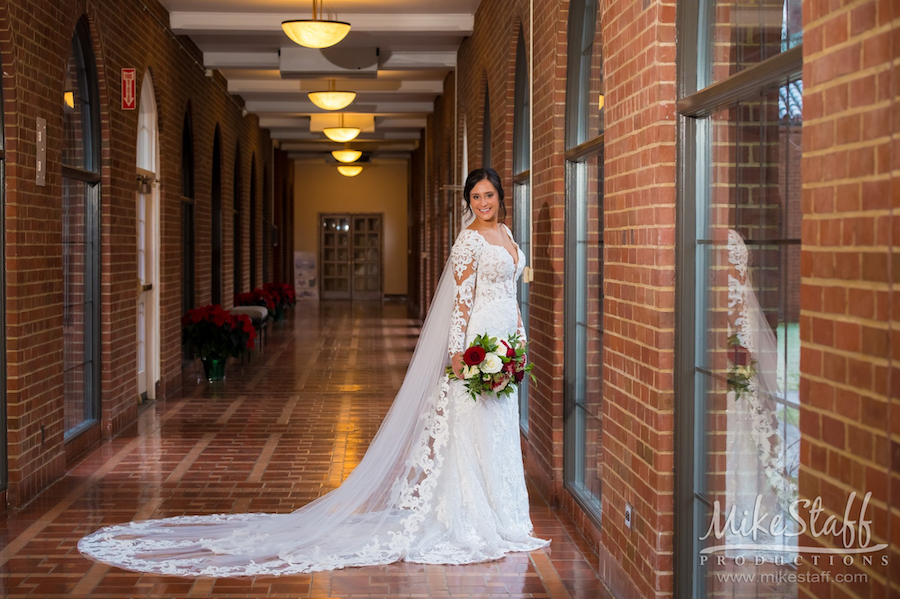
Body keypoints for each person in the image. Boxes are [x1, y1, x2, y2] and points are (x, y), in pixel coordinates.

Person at [78, 167, 548, 577]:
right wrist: (459, 355)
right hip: (476, 347)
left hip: (506, 345)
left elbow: (512, 295)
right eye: (475, 197)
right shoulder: (468, 241)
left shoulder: (508, 235)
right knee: (473, 432)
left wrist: (518, 348)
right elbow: (461, 303)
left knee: (500, 429)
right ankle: (468, 517)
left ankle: (506, 515)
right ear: (468, 202)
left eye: (488, 195)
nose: (483, 203)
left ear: (500, 196)